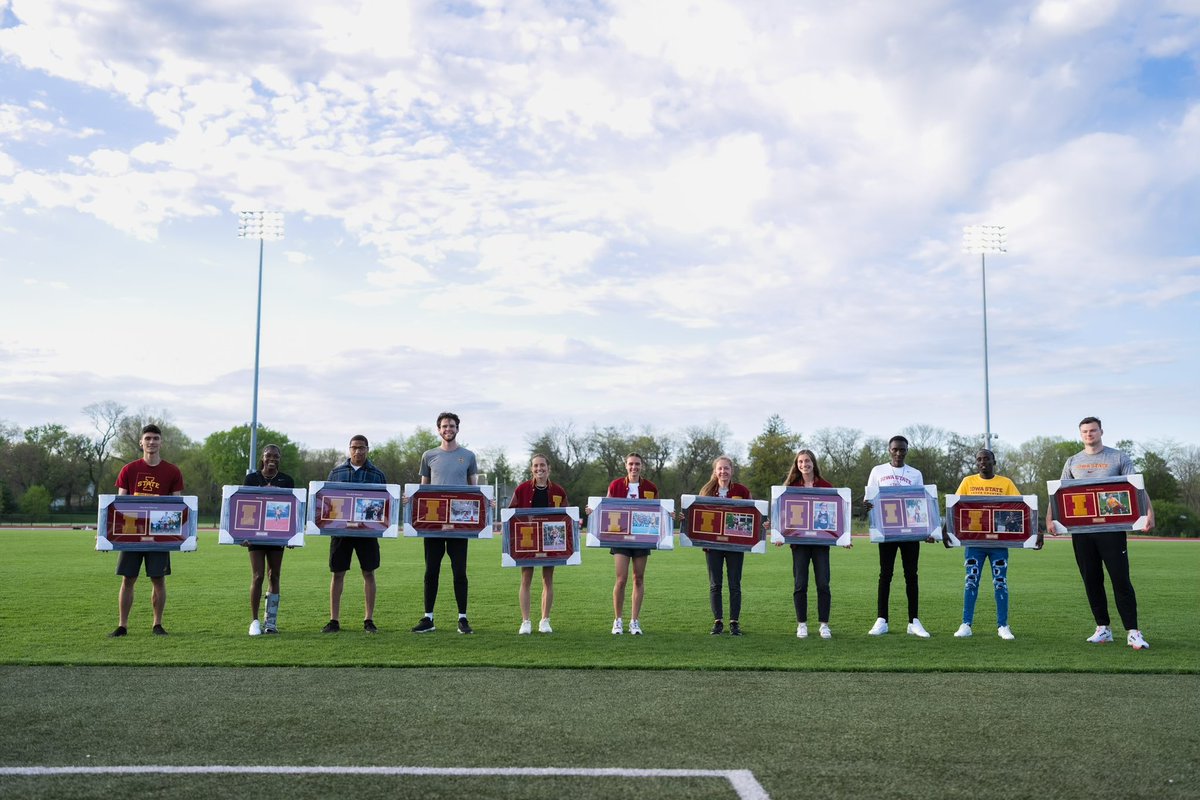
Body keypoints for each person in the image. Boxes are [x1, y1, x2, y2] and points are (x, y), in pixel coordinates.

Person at [1054, 417, 1155, 650]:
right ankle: (1103, 629)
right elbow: (1059, 492)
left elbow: (1137, 486)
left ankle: (1133, 631)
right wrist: (1052, 519)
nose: (1089, 434)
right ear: (1080, 434)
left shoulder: (1119, 457)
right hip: (1082, 532)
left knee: (1120, 579)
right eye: (1085, 431)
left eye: (1093, 430)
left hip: (1112, 530)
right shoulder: (1073, 461)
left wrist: (1149, 513)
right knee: (1091, 580)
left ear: (1101, 432)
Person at [109, 424, 184, 637]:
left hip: (159, 534)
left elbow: (177, 505)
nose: (151, 442)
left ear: (161, 442)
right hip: (131, 533)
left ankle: (157, 624)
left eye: (156, 438)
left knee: (158, 579)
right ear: (141, 442)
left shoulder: (172, 471)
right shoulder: (129, 470)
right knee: (128, 578)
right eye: (148, 438)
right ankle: (122, 625)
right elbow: (119, 504)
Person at [412, 411, 480, 635]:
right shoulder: (428, 455)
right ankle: (428, 618)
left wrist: (486, 502)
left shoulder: (468, 456)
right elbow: (423, 491)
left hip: (459, 527)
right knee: (431, 571)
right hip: (434, 526)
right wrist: (410, 499)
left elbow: (474, 491)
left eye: (451, 426)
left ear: (457, 428)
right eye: (444, 426)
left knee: (459, 571)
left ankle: (462, 618)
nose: (448, 429)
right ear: (438, 429)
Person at [946, 449, 1024, 641]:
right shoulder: (968, 482)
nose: (983, 462)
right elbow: (954, 507)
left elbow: (1020, 508)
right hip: (974, 541)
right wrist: (946, 529)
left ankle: (1003, 625)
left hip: (998, 542)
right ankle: (966, 624)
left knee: (1000, 583)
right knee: (971, 581)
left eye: (986, 459)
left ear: (993, 461)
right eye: (979, 459)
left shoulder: (1005, 483)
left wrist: (1035, 531)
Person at [865, 435, 934, 638]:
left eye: (902, 450)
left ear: (906, 450)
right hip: (887, 530)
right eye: (895, 449)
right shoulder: (878, 471)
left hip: (910, 531)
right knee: (885, 574)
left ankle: (913, 621)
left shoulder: (915, 473)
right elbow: (869, 498)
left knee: (911, 575)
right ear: (889, 450)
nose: (898, 453)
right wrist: (867, 505)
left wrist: (928, 529)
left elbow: (921, 502)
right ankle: (882, 619)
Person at [779, 449, 851, 639]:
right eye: (801, 462)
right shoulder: (791, 487)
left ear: (813, 463)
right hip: (799, 545)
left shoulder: (826, 486)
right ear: (797, 465)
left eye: (807, 461)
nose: (804, 464)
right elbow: (783, 515)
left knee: (823, 584)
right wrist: (779, 535)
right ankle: (801, 624)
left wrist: (844, 537)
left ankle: (824, 625)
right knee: (800, 584)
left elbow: (838, 515)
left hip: (821, 544)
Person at [322, 434, 387, 634]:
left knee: (368, 572)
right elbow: (327, 501)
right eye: (354, 447)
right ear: (349, 449)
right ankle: (334, 620)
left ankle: (368, 619)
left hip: (367, 533)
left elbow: (384, 502)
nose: (358, 451)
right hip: (341, 532)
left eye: (362, 447)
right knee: (338, 573)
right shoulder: (336, 473)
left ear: (368, 449)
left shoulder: (377, 475)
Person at [508, 454, 568, 635]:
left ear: (549, 468)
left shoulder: (558, 491)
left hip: (551, 541)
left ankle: (545, 620)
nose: (539, 469)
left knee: (547, 579)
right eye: (535, 466)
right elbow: (511, 514)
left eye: (542, 465)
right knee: (526, 579)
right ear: (531, 469)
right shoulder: (522, 489)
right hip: (528, 540)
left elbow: (567, 515)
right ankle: (525, 621)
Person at [604, 452, 659, 635]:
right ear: (625, 466)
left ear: (641, 466)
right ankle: (618, 620)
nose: (634, 467)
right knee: (621, 579)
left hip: (642, 538)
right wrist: (593, 510)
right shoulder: (616, 485)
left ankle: (634, 621)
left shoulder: (650, 487)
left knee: (639, 578)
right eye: (631, 464)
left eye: (637, 464)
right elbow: (606, 507)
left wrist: (669, 515)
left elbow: (657, 511)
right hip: (620, 537)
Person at [697, 456, 753, 636]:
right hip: (713, 545)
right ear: (715, 471)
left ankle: (734, 622)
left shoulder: (742, 490)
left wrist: (762, 524)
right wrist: (687, 519)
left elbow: (753, 514)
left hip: (735, 545)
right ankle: (718, 621)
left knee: (735, 584)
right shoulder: (706, 491)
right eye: (720, 469)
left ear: (732, 470)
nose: (723, 472)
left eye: (726, 468)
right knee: (715, 584)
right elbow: (697, 515)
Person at [243, 444, 293, 636]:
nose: (272, 458)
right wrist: (242, 534)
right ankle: (254, 621)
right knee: (258, 576)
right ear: (262, 458)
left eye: (276, 456)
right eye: (268, 455)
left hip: (277, 533)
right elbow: (244, 507)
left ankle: (270, 622)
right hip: (255, 534)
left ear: (280, 458)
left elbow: (292, 508)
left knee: (275, 575)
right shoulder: (251, 478)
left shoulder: (287, 480)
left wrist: (291, 535)